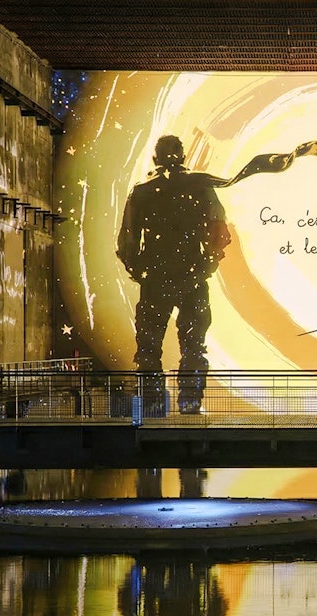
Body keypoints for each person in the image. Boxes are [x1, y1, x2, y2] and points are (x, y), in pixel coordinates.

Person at [116, 135, 232, 415]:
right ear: (182, 156)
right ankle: (190, 402)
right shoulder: (201, 188)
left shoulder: (142, 191)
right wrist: (206, 265)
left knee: (148, 347)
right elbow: (219, 233)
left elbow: (127, 242)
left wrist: (141, 271)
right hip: (192, 277)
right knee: (194, 346)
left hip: (156, 278)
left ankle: (153, 403)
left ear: (155, 158)